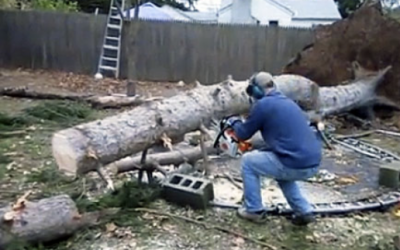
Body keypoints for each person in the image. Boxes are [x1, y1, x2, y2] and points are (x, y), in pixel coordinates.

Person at [226, 71, 322, 226]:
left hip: (295, 162)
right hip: (312, 162)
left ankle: (254, 210)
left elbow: (243, 134)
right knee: (282, 174)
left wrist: (234, 121)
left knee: (248, 162)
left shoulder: (263, 105)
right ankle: (303, 210)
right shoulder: (289, 103)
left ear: (256, 90)